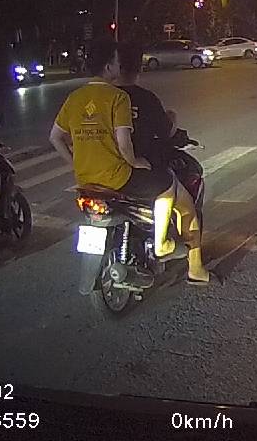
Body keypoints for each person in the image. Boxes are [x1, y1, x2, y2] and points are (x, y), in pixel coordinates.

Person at [48, 39, 212, 285]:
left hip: (85, 179)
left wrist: (74, 165)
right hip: (119, 175)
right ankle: (177, 256)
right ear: (110, 66)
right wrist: (135, 161)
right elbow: (125, 141)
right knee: (171, 189)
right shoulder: (118, 98)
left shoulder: (75, 97)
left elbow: (55, 137)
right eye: (114, 61)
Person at [115, 42, 178, 171]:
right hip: (140, 163)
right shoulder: (147, 99)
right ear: (140, 68)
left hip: (107, 164)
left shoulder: (105, 98)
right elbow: (166, 132)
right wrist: (172, 116)